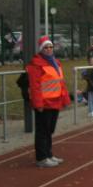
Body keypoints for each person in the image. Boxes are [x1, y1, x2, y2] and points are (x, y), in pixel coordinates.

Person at [26, 36, 71, 168]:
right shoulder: (36, 64)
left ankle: (49, 154)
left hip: (55, 101)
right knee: (43, 130)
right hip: (44, 103)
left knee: (49, 130)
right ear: (41, 49)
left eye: (51, 47)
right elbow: (35, 86)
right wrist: (38, 104)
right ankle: (41, 157)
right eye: (46, 47)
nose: (49, 49)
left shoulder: (56, 62)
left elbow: (60, 82)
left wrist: (65, 99)